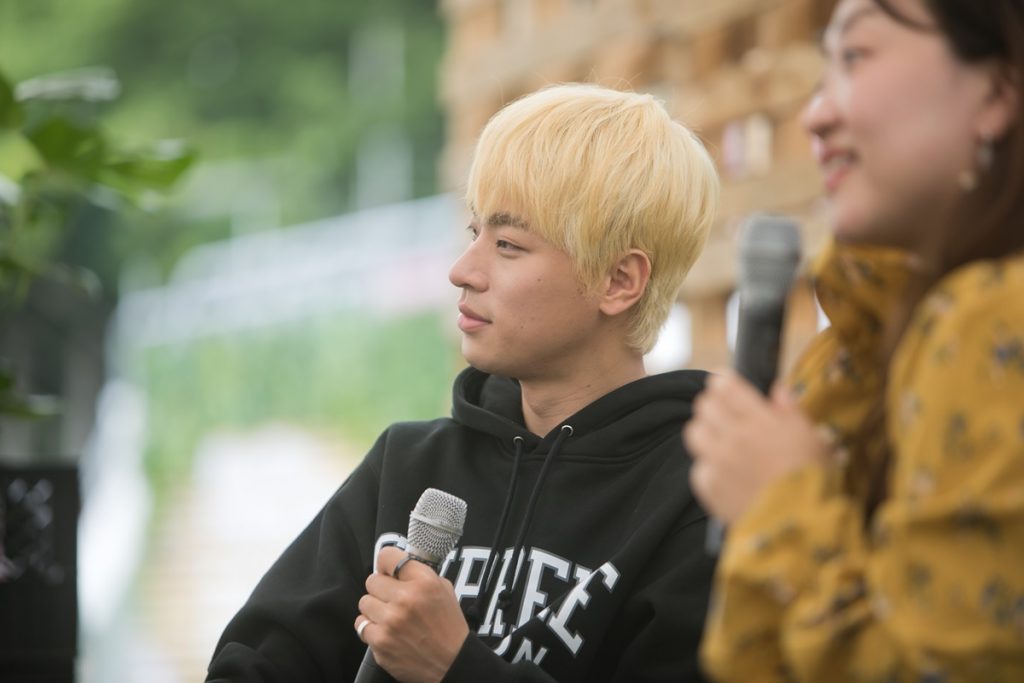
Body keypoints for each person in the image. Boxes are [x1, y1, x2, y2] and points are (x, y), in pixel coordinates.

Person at [206, 83, 721, 682]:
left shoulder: (700, 497)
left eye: (508, 245)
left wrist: (456, 667)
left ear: (619, 281)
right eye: (473, 233)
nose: (462, 271)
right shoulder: (408, 465)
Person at [684, 0, 1024, 680]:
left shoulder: (993, 316)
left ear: (994, 93)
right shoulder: (874, 338)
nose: (814, 116)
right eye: (821, 72)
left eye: (855, 57)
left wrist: (781, 508)